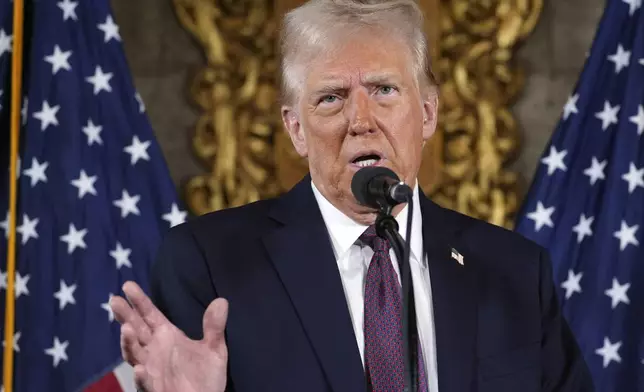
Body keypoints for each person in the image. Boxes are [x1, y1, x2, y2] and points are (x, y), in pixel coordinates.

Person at [110, 0, 595, 391]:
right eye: (331, 97)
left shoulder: (514, 271)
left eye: (384, 89)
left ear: (427, 114)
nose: (361, 121)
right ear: (295, 129)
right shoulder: (210, 264)